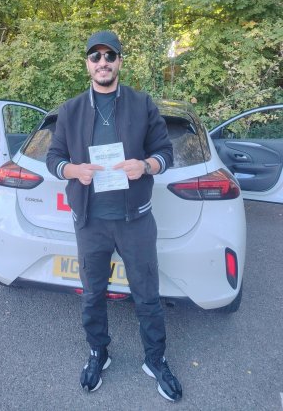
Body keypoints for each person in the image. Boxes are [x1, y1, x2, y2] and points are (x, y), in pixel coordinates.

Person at [46, 30, 182, 402]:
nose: (102, 62)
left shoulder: (142, 104)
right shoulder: (71, 110)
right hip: (90, 221)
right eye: (96, 56)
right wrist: (73, 171)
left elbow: (165, 152)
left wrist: (146, 165)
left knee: (147, 295)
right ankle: (98, 353)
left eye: (110, 55)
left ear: (120, 61)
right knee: (92, 294)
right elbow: (54, 158)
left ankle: (155, 359)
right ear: (87, 64)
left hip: (135, 220)